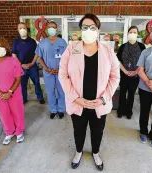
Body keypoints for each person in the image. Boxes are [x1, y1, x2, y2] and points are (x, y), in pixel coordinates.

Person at [59, 13, 120, 171]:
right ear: (80, 30)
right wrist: (75, 98)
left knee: (97, 131)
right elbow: (63, 75)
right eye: (85, 27)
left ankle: (96, 152)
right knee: (78, 130)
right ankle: (78, 152)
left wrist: (104, 99)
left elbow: (115, 76)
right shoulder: (72, 48)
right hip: (78, 102)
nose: (88, 30)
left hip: (99, 103)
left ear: (98, 30)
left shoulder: (107, 50)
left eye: (92, 27)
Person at [35, 21, 67, 119]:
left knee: (61, 91)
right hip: (48, 72)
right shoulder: (43, 42)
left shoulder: (62, 42)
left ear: (56, 29)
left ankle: (61, 109)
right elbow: (39, 57)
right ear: (47, 29)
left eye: (53, 27)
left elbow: (67, 58)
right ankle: (53, 110)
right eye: (49, 27)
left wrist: (61, 69)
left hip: (60, 72)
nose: (51, 29)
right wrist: (46, 68)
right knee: (50, 91)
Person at [116, 26, 146, 119]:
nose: (132, 34)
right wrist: (125, 71)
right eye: (131, 32)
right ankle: (120, 110)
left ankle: (129, 111)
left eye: (135, 32)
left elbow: (144, 61)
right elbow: (118, 61)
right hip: (124, 74)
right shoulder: (122, 46)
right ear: (128, 34)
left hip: (136, 75)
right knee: (122, 93)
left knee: (131, 94)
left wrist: (135, 72)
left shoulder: (141, 47)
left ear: (137, 34)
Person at [12, 22, 45, 104]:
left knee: (36, 82)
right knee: (23, 84)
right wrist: (21, 64)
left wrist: (32, 63)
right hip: (21, 67)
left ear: (27, 30)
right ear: (18, 30)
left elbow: (37, 53)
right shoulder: (16, 41)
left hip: (32, 66)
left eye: (24, 28)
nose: (22, 30)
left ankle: (40, 97)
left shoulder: (32, 41)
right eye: (20, 28)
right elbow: (14, 55)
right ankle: (24, 99)